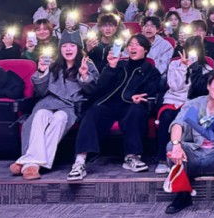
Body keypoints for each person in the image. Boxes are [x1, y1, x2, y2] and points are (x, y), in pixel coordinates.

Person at [68, 34, 162, 181]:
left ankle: (132, 157)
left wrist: (140, 96)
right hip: (109, 103)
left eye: (137, 44)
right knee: (92, 112)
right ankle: (80, 161)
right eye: (130, 44)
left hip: (131, 105)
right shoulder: (119, 64)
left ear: (145, 49)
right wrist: (111, 67)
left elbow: (152, 89)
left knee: (136, 111)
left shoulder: (151, 70)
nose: (132, 47)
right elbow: (101, 86)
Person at [10, 31, 99, 180]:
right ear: (60, 49)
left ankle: (29, 163)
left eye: (72, 45)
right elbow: (41, 91)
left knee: (60, 118)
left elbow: (94, 90)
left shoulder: (87, 63)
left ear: (78, 48)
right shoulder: (53, 64)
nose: (68, 49)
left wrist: (84, 75)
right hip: (47, 103)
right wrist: (41, 71)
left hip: (70, 106)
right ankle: (33, 163)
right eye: (64, 46)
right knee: (40, 115)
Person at [163, 71, 214, 214]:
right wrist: (176, 145)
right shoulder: (193, 105)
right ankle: (182, 193)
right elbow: (177, 124)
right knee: (171, 145)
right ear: (209, 86)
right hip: (192, 155)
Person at [155, 37, 213, 174]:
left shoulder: (206, 69)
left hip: (193, 102)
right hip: (173, 100)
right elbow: (175, 86)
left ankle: (186, 157)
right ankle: (162, 158)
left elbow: (201, 90)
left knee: (190, 117)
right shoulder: (175, 64)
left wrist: (195, 69)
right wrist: (182, 68)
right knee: (166, 116)